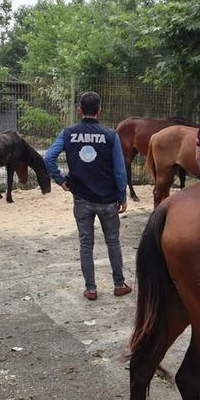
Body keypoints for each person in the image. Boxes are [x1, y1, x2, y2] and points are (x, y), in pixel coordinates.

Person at [44, 91, 131, 301]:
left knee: (85, 243)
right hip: (108, 199)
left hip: (81, 197)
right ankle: (119, 284)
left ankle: (91, 289)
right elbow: (120, 170)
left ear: (79, 110)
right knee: (113, 241)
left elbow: (49, 157)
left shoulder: (68, 133)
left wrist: (60, 180)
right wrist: (122, 196)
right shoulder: (111, 135)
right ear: (99, 110)